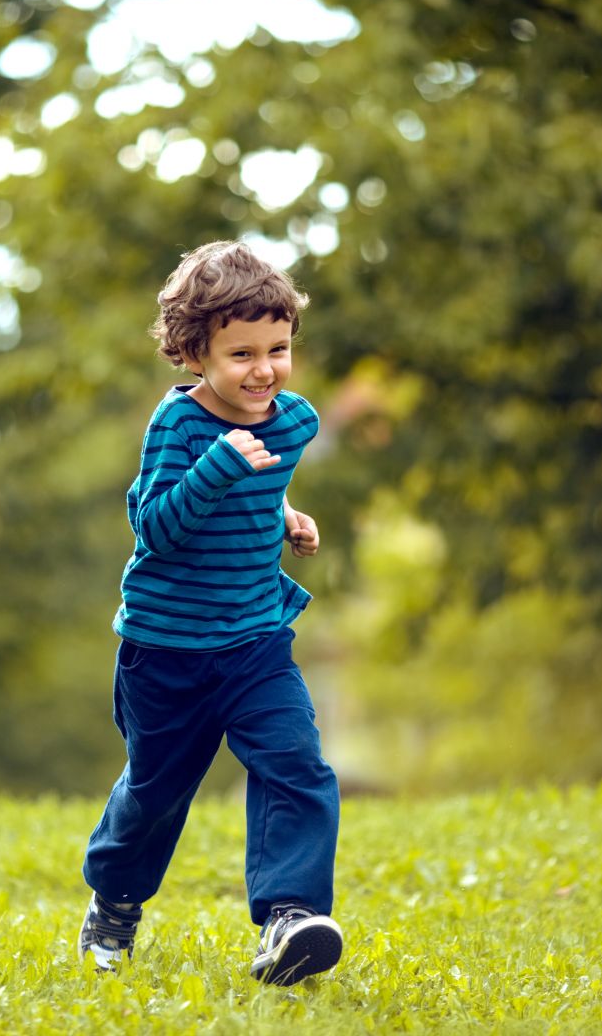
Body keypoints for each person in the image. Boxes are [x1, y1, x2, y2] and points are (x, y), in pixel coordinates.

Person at [77, 240, 343, 987]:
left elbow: (257, 487)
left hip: (255, 637)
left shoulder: (291, 422)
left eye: (278, 349)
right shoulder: (178, 429)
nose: (264, 370)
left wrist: (285, 514)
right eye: (241, 354)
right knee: (155, 792)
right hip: (166, 651)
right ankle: (115, 902)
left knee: (296, 764)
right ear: (195, 354)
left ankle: (288, 918)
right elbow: (157, 526)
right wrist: (219, 465)